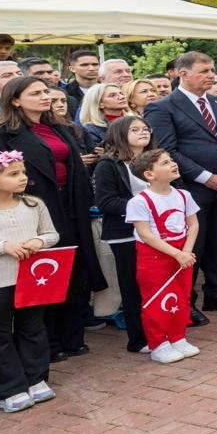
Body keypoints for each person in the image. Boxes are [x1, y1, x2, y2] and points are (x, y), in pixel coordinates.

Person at [0, 76, 106, 358]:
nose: (45, 97)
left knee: (74, 267)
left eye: (46, 91)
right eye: (36, 93)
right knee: (45, 270)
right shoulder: (1, 133)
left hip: (71, 204)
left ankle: (72, 335)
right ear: (15, 100)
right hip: (36, 205)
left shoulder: (58, 126)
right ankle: (50, 342)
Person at [142, 52, 217, 317]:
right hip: (192, 189)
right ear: (183, 74)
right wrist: (206, 177)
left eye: (212, 70)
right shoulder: (163, 107)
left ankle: (216, 292)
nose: (211, 76)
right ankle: (186, 301)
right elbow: (168, 150)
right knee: (194, 245)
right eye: (204, 71)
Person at [0, 149, 60, 413]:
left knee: (32, 327)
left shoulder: (33, 204)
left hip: (33, 280)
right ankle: (9, 387)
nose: (23, 178)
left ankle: (35, 377)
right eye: (13, 174)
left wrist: (38, 241)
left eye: (23, 172)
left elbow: (51, 233)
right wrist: (2, 246)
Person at [125, 147, 201, 364]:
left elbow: (193, 224)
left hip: (182, 253)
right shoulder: (140, 201)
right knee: (157, 300)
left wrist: (186, 251)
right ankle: (158, 343)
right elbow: (145, 234)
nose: (173, 164)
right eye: (165, 163)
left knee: (182, 296)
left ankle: (178, 336)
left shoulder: (183, 195)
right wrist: (177, 253)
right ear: (149, 174)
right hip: (156, 256)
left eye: (171, 160)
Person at [92, 116, 154, 354]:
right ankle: (138, 338)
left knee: (154, 283)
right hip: (126, 233)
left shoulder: (158, 158)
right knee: (132, 285)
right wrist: (147, 207)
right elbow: (107, 201)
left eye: (145, 128)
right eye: (135, 129)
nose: (143, 132)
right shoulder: (108, 165)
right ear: (119, 135)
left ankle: (161, 328)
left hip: (158, 232)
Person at [77, 82, 128, 150]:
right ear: (100, 103)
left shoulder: (136, 120)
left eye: (121, 93)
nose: (121, 97)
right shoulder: (91, 129)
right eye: (112, 95)